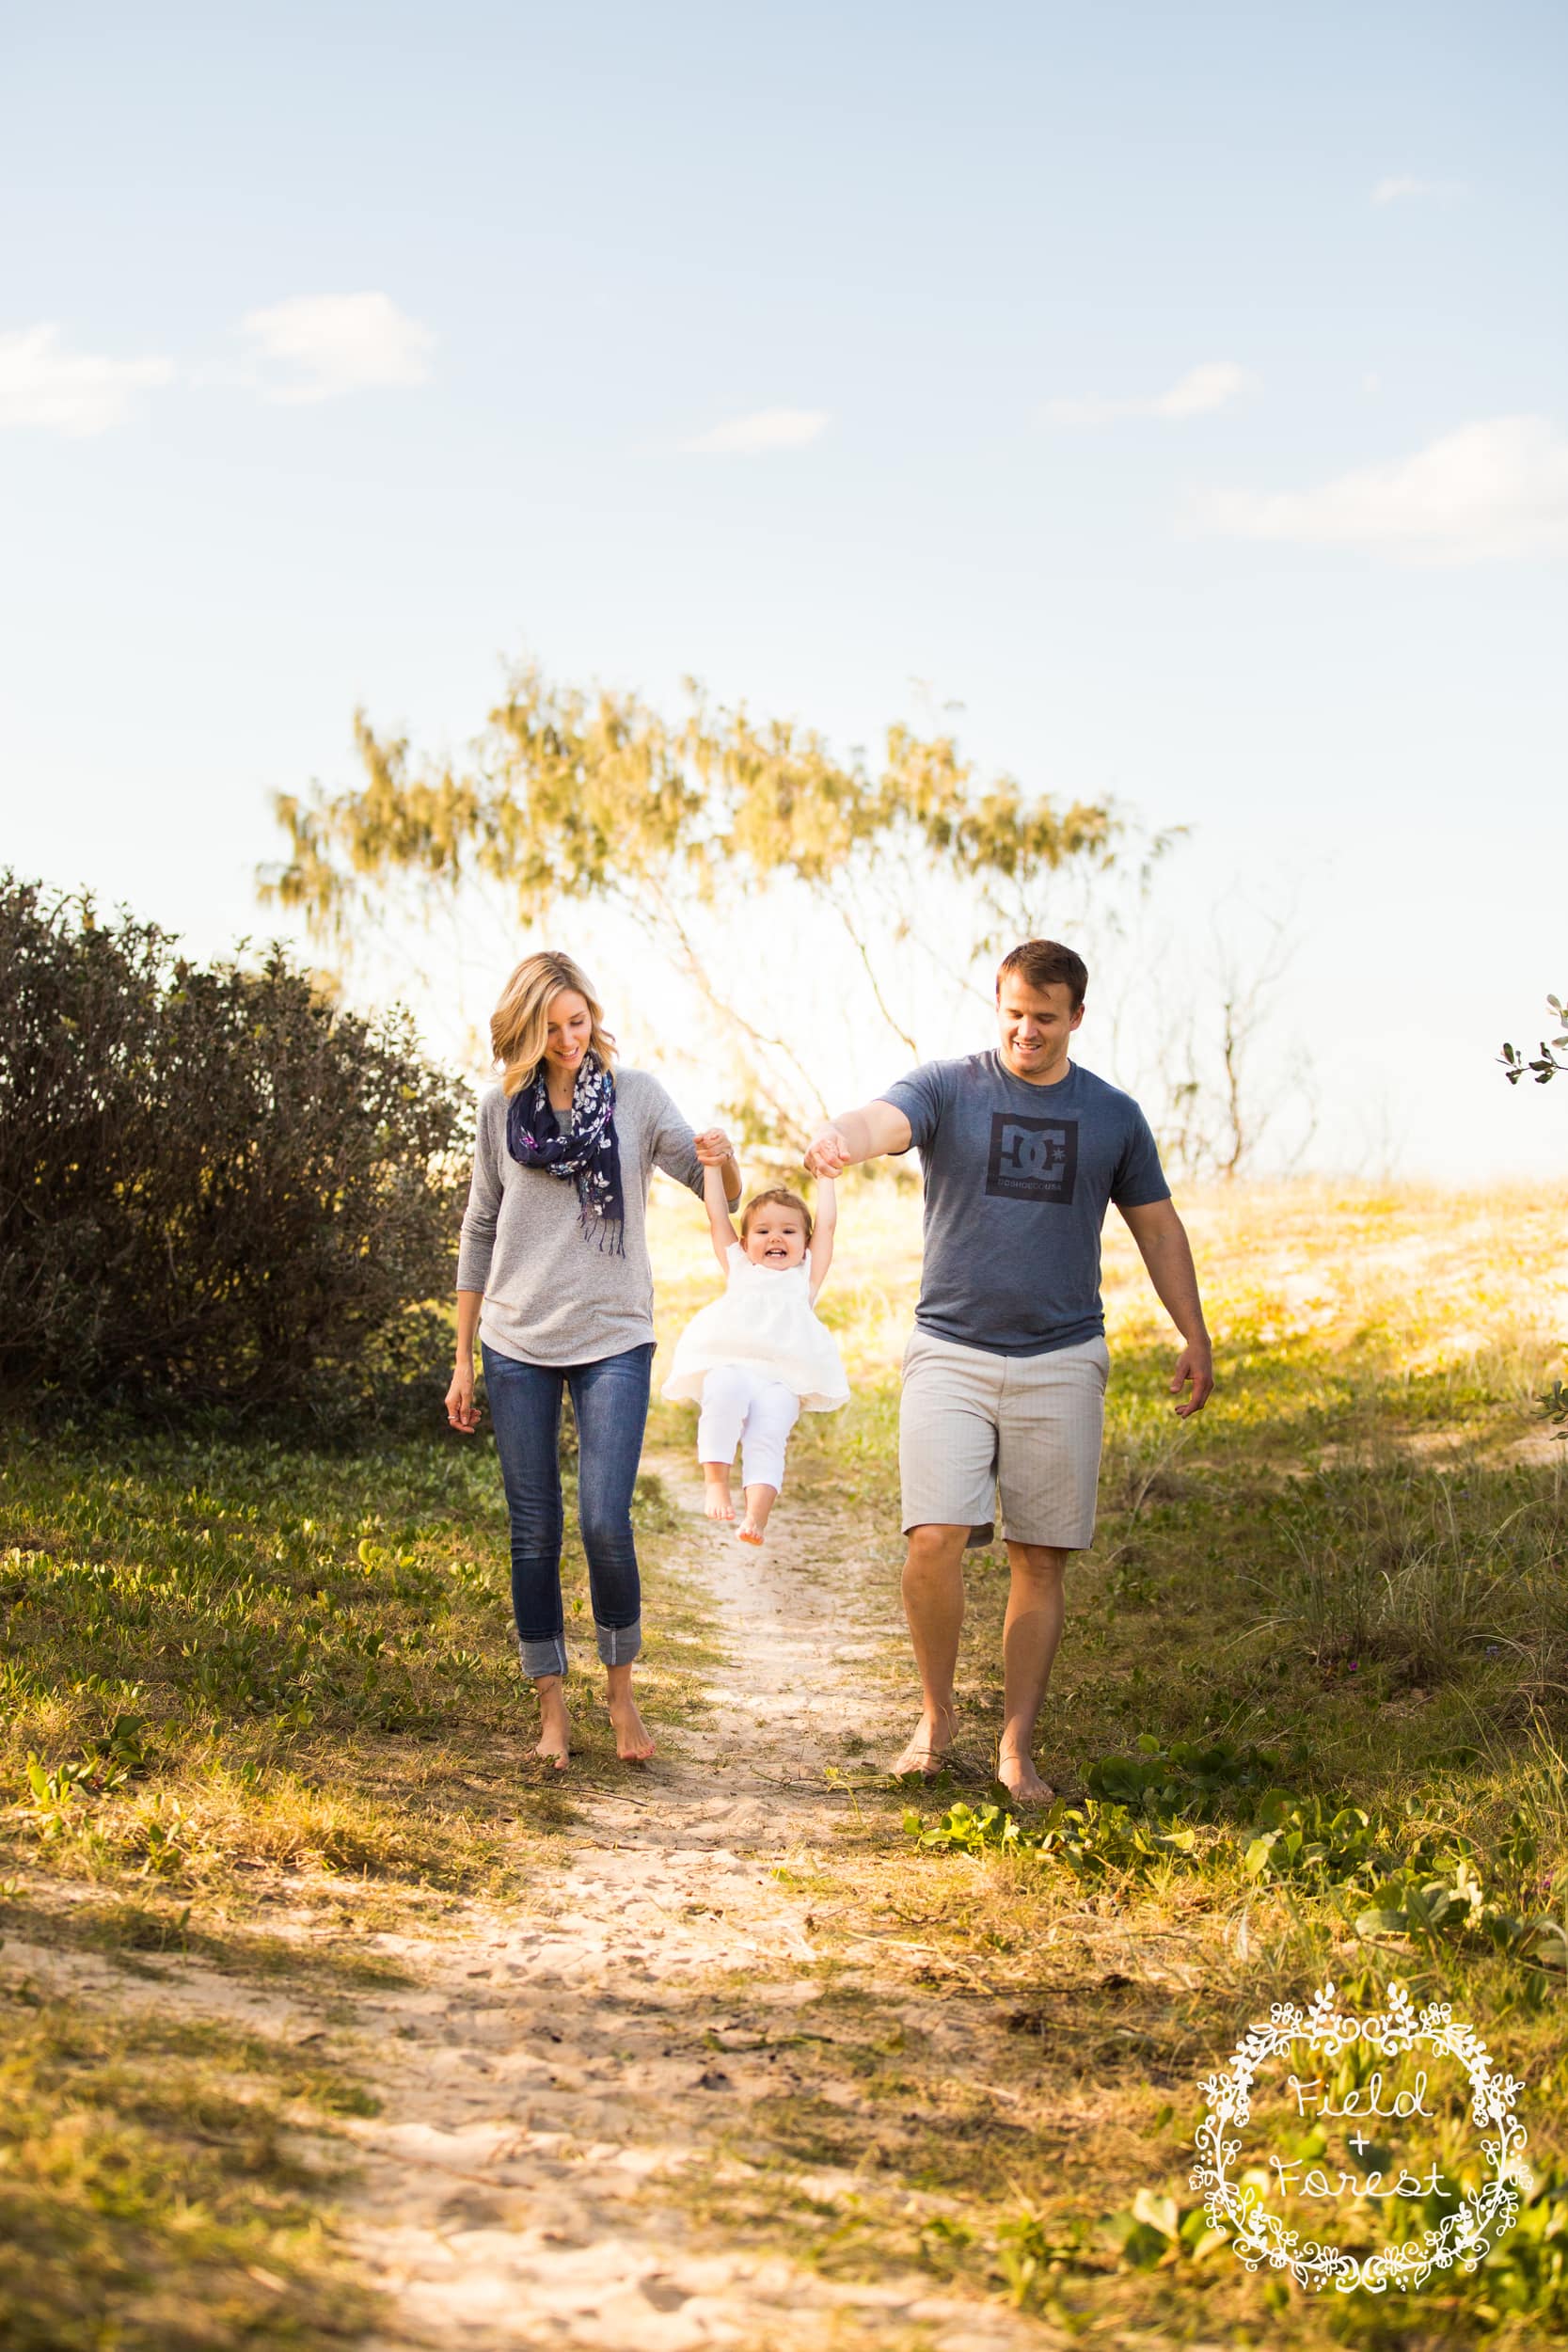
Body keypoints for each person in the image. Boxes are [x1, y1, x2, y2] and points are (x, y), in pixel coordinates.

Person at [804, 937, 1213, 1804]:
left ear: (1076, 1017)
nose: (1026, 1031)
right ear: (999, 1007)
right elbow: (884, 1121)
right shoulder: (948, 1086)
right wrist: (838, 1136)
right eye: (1013, 1014)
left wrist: (1193, 1335)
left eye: (1044, 1018)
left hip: (1062, 1357)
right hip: (949, 1348)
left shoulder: (1112, 1116)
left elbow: (1158, 1230)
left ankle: (1016, 1746)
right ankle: (935, 1715)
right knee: (933, 1538)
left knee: (1039, 1558)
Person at [447, 950, 740, 1771]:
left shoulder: (638, 1098)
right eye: (552, 1027)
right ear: (526, 1029)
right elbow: (479, 1228)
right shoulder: (500, 1111)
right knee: (533, 1532)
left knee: (606, 1523)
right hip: (516, 1340)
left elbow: (712, 1182)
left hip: (615, 1332)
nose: (570, 1038)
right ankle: (550, 1711)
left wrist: (722, 1158)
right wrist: (464, 1358)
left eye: (579, 1022)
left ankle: (620, 1697)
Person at [661, 1146, 849, 1544]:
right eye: (763, 1231)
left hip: (784, 1380)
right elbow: (716, 1217)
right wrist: (712, 1168)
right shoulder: (741, 1268)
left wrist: (826, 1177)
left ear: (805, 1242)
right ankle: (716, 1481)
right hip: (734, 1364)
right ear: (746, 1243)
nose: (775, 1237)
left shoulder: (805, 1278)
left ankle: (756, 1517)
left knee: (769, 1432)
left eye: (788, 1231)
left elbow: (829, 1227)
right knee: (722, 1390)